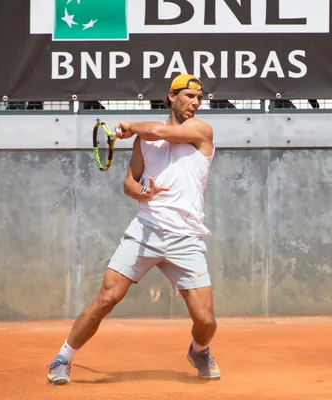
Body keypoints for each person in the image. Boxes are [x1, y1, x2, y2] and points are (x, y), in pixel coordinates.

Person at [46, 73, 220, 384]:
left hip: (186, 237)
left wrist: (129, 125)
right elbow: (129, 182)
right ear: (171, 96)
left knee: (206, 321)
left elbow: (154, 129)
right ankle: (62, 358)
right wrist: (142, 192)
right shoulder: (144, 142)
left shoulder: (200, 130)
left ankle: (199, 350)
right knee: (107, 298)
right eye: (188, 96)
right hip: (146, 229)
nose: (194, 103)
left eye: (199, 98)